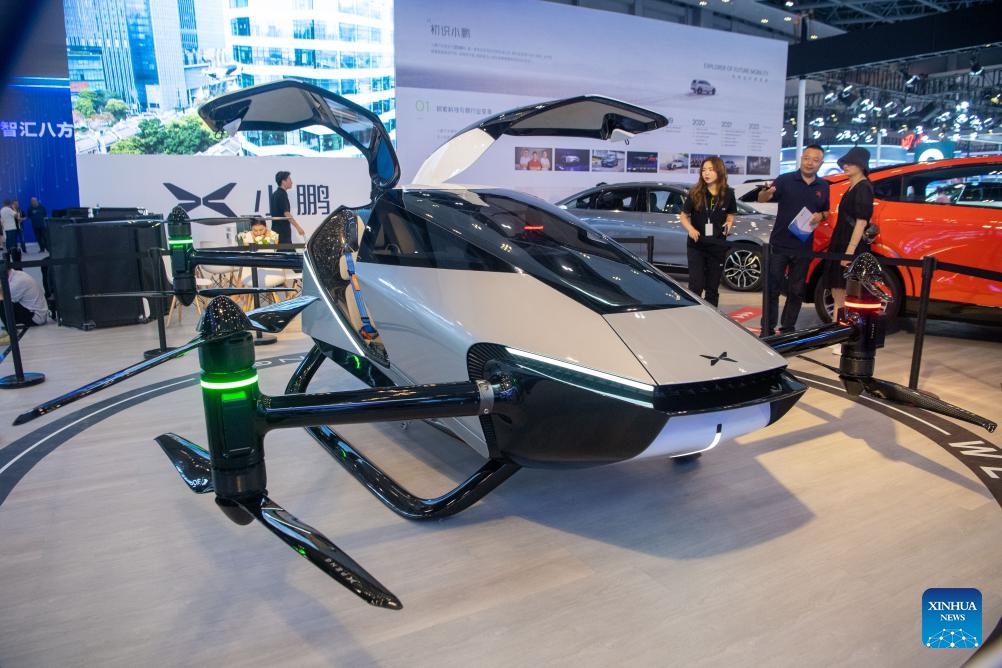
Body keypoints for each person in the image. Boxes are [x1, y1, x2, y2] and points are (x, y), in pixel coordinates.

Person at [757, 144, 830, 337]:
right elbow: (763, 198)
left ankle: (788, 328)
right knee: (772, 288)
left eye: (815, 160)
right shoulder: (785, 179)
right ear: (801, 159)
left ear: (821, 163)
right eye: (807, 158)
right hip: (780, 243)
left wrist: (821, 216)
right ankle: (767, 328)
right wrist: (767, 193)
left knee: (796, 290)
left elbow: (826, 212)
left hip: (803, 246)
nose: (810, 163)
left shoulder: (823, 186)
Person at [680, 156, 736, 307]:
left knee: (712, 288)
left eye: (710, 170)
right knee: (695, 286)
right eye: (704, 170)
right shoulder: (695, 192)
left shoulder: (729, 193)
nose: (707, 173)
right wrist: (691, 229)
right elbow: (683, 216)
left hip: (717, 245)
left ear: (719, 171)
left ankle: (712, 320)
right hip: (696, 245)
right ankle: (694, 317)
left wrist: (729, 223)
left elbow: (731, 214)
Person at [825, 147, 874, 319]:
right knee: (837, 288)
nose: (846, 166)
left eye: (851, 163)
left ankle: (842, 328)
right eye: (845, 162)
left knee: (846, 288)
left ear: (861, 165)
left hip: (849, 244)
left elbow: (862, 221)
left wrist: (850, 252)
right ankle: (837, 325)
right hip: (842, 241)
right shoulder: (854, 187)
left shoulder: (863, 187)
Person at [269, 171, 305, 245]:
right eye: (289, 179)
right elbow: (287, 214)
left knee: (280, 254)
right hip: (282, 233)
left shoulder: (274, 194)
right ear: (283, 181)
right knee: (287, 254)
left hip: (275, 231)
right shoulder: (282, 194)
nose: (291, 182)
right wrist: (298, 228)